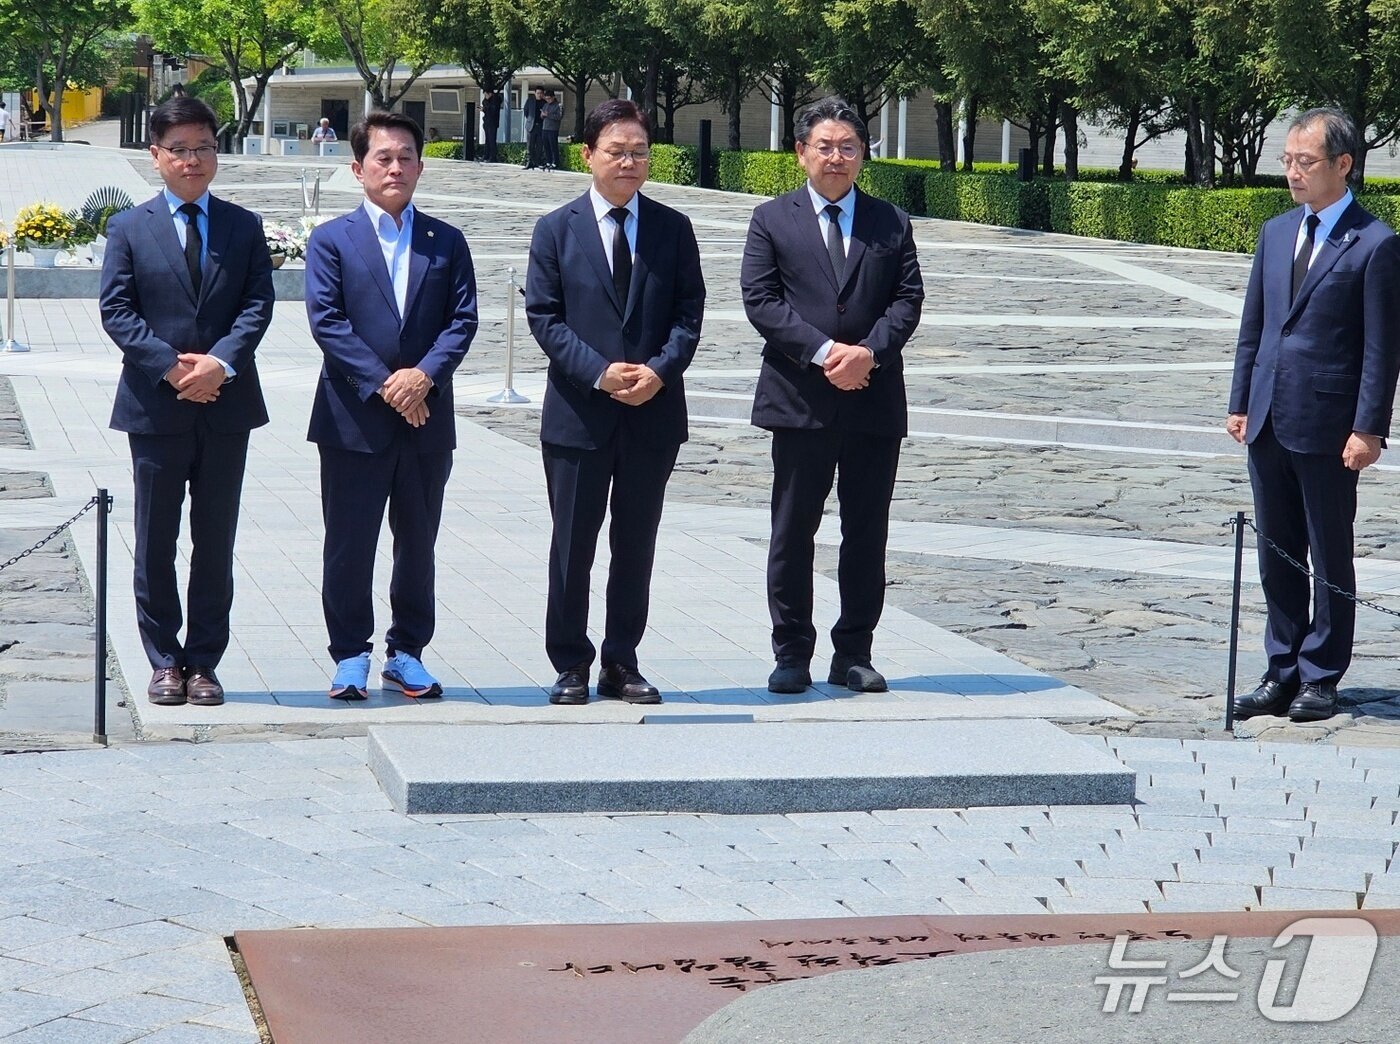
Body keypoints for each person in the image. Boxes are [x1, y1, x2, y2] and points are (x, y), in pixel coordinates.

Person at [740, 96, 923, 696]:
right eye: (825, 146)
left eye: (848, 147)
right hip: (801, 400)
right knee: (793, 531)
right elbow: (762, 300)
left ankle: (854, 653)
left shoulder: (891, 222)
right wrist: (824, 355)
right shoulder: (772, 220)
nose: (837, 157)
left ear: (864, 155)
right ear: (801, 153)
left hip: (873, 400)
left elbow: (907, 299)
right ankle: (791, 651)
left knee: (866, 533)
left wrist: (868, 353)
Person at [525, 98, 705, 706]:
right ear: (588, 156)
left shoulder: (673, 229)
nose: (629, 162)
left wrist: (657, 372)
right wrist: (599, 373)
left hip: (653, 415)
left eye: (639, 152)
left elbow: (688, 316)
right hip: (579, 414)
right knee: (572, 543)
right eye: (616, 151)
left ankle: (622, 661)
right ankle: (571, 661)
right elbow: (545, 319)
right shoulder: (556, 229)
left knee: (636, 543)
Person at [99, 96, 274, 707]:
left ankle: (204, 661)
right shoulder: (128, 227)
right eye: (179, 149)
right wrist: (171, 367)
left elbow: (257, 306)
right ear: (156, 156)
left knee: (215, 538)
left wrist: (218, 364)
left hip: (226, 405)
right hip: (156, 406)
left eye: (203, 147)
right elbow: (117, 311)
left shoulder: (243, 227)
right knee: (154, 537)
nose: (193, 160)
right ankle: (163, 660)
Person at [1227, 108, 1400, 723]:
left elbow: (1382, 348)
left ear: (1343, 165)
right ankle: (1281, 668)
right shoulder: (1277, 232)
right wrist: (1241, 400)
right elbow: (1257, 325)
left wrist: (1368, 428)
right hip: (1270, 416)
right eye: (1288, 160)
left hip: (1330, 426)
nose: (1293, 173)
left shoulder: (1375, 244)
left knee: (1328, 550)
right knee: (1276, 551)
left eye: (1306, 162)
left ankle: (1322, 673)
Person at [304, 111, 478, 700]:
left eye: (406, 156)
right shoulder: (332, 240)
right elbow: (327, 323)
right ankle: (350, 653)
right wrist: (388, 385)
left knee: (418, 541)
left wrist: (422, 378)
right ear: (358, 169)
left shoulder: (446, 241)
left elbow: (462, 320)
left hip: (426, 421)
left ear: (421, 166)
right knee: (349, 542)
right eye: (383, 157)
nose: (396, 167)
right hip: (353, 420)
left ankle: (407, 652)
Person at [523, 87, 545, 170]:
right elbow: (526, 111)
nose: (539, 95)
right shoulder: (530, 101)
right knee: (530, 145)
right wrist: (530, 119)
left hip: (540, 126)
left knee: (539, 145)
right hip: (531, 125)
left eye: (541, 93)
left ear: (543, 94)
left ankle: (538, 162)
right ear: (535, 93)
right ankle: (529, 162)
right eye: (538, 93)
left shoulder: (544, 103)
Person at [541, 89, 563, 170]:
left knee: (553, 146)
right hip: (545, 128)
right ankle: (548, 161)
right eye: (546, 99)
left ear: (553, 97)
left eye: (549, 98)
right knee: (546, 146)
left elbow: (559, 117)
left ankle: (555, 162)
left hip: (553, 129)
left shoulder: (558, 105)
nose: (548, 100)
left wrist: (548, 115)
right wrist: (543, 115)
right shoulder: (545, 105)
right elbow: (542, 116)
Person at [481, 88, 502, 163]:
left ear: (490, 94)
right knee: (487, 140)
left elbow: (492, 110)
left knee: (492, 140)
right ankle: (486, 155)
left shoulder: (495, 100)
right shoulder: (486, 101)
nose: (485, 96)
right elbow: (485, 106)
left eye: (486, 94)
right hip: (487, 122)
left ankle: (493, 156)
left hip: (492, 123)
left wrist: (485, 108)